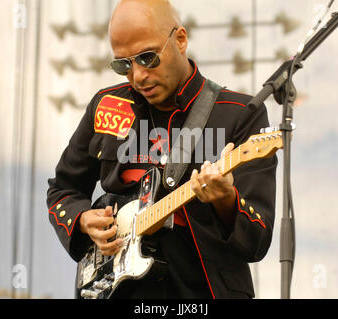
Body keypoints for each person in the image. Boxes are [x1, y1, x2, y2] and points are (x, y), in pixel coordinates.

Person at [47, 0, 277, 299]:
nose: (138, 76)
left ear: (180, 40)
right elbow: (63, 190)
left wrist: (225, 200)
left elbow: (256, 241)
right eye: (123, 64)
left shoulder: (239, 113)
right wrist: (82, 220)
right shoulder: (107, 105)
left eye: (148, 57)